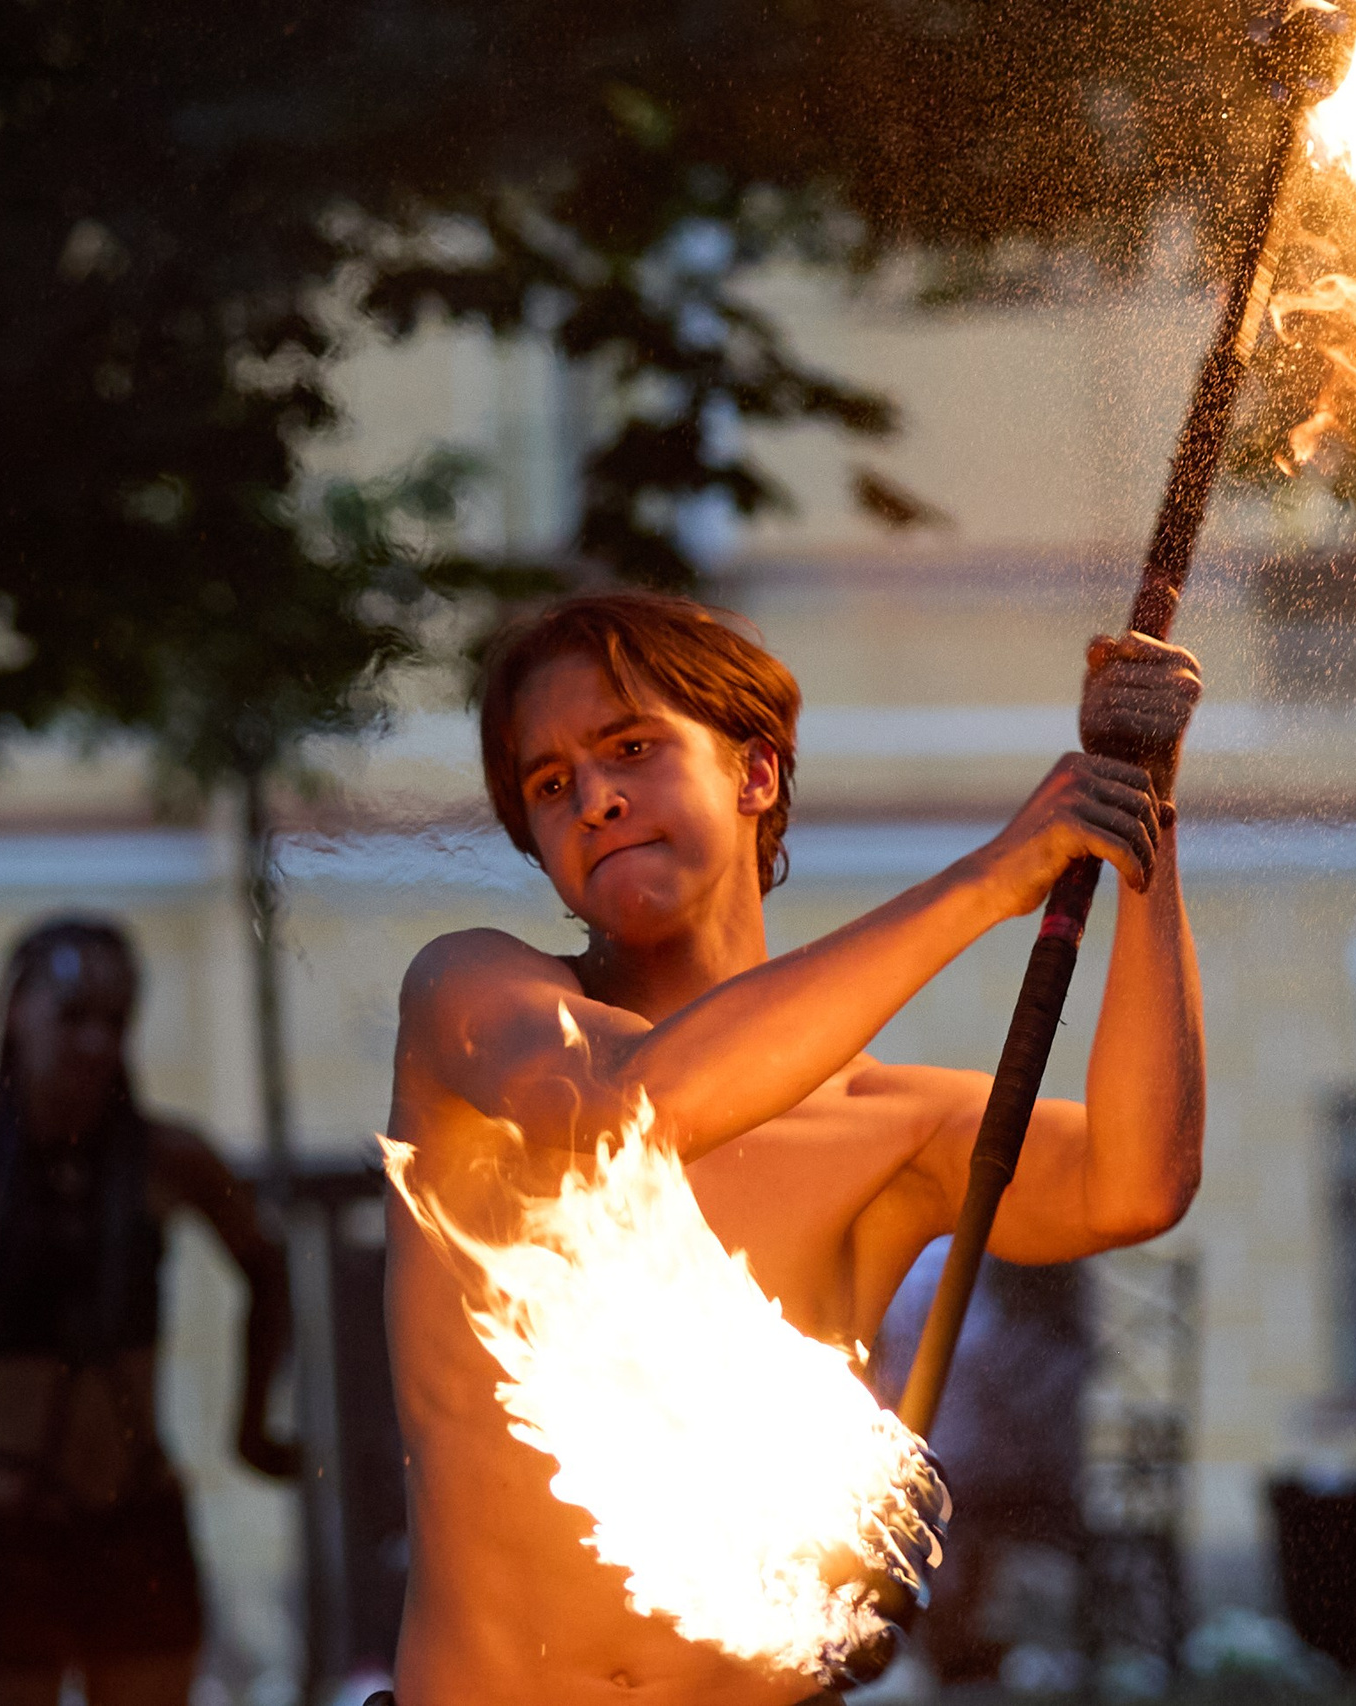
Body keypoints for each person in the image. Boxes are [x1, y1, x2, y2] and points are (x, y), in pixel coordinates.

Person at [381, 591, 1204, 1705]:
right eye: (551, 783)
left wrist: (1142, 813)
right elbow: (626, 1107)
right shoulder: (475, 1002)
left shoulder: (886, 1123)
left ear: (755, 772)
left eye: (633, 747)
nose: (596, 797)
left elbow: (1138, 1180)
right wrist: (988, 880)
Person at [0, 916, 298, 1706]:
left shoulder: (167, 1159)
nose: (96, 1043)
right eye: (73, 1017)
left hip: (135, 1512)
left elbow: (269, 1268)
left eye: (114, 1021)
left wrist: (250, 1430)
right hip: (14, 1523)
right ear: (16, 1014)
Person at [873, 1251, 1094, 1684]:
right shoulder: (926, 1265)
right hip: (953, 1459)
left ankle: (962, 1644)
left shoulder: (1015, 1257)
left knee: (944, 1508)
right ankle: (955, 1645)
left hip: (1006, 1466)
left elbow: (1051, 1375)